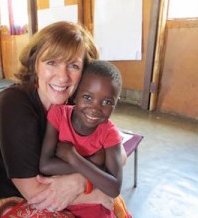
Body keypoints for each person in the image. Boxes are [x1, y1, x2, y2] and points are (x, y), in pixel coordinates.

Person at [0, 21, 118, 218]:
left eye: (73, 66)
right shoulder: (14, 103)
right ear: (36, 63)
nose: (62, 77)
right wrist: (94, 192)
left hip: (41, 185)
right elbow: (34, 193)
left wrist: (81, 180)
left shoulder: (73, 103)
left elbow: (117, 150)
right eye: (52, 62)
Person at [39, 60, 130, 218]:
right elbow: (46, 165)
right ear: (76, 93)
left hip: (95, 208)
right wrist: (95, 165)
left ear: (116, 103)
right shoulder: (58, 115)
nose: (95, 108)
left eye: (107, 102)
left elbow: (114, 188)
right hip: (61, 204)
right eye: (87, 97)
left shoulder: (109, 133)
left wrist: (72, 157)